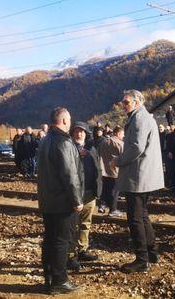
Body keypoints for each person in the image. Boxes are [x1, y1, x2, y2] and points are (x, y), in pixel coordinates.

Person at [112, 90, 164, 273]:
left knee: (135, 218)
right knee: (142, 215)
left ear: (137, 102)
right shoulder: (142, 117)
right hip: (143, 175)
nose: (123, 105)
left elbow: (136, 148)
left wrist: (117, 161)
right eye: (123, 102)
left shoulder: (139, 118)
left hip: (139, 176)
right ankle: (152, 253)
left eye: (126, 102)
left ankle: (142, 260)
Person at [36, 107, 83, 294]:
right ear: (63, 120)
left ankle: (48, 277)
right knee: (62, 241)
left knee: (49, 238)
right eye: (69, 119)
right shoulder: (63, 142)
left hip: (48, 200)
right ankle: (59, 280)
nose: (71, 122)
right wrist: (77, 200)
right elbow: (69, 174)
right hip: (62, 201)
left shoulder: (46, 140)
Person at [68, 121, 102, 268]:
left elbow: (97, 170)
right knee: (72, 225)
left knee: (85, 224)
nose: (79, 133)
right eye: (76, 131)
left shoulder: (91, 148)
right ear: (72, 133)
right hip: (75, 194)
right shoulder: (68, 148)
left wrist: (98, 190)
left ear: (86, 133)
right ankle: (70, 255)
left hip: (89, 192)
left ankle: (82, 249)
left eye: (82, 131)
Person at [99, 126, 124, 217]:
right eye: (122, 134)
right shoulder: (120, 143)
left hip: (105, 169)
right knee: (115, 191)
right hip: (116, 170)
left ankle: (102, 205)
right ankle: (113, 209)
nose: (123, 136)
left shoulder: (104, 141)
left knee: (106, 189)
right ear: (118, 133)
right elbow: (123, 157)